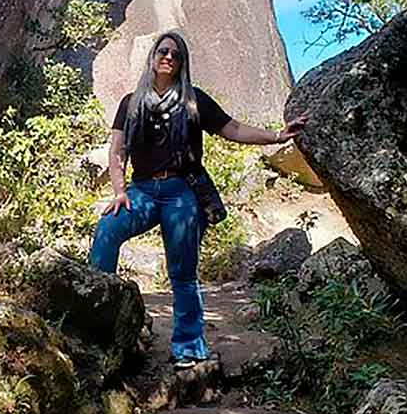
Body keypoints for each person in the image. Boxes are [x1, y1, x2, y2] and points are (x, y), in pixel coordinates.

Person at [88, 30, 306, 369]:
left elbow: (233, 129)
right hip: (141, 191)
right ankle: (96, 328)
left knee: (183, 271)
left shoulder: (193, 100)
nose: (169, 58)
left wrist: (278, 136)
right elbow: (117, 151)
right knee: (107, 231)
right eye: (164, 51)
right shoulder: (131, 103)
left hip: (180, 193)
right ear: (153, 56)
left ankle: (188, 347)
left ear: (182, 63)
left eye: (177, 55)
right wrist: (119, 191)